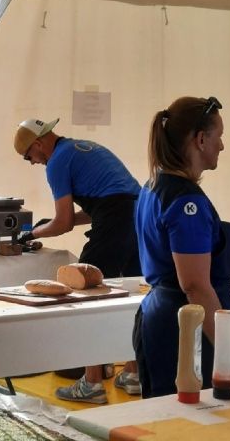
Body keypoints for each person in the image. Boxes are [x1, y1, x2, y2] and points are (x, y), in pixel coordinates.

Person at [14, 118, 142, 403]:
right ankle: (134, 373)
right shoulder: (82, 147)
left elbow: (63, 223)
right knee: (131, 296)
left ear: (37, 144)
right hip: (139, 214)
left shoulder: (57, 161)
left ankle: (92, 383)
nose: (33, 163)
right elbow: (103, 206)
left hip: (118, 217)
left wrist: (31, 233)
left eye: (28, 157)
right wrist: (50, 224)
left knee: (85, 293)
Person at [133, 96, 230, 399]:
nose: (222, 146)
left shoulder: (152, 186)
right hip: (188, 329)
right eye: (219, 137)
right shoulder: (188, 202)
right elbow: (196, 286)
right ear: (201, 140)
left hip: (161, 317)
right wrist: (228, 357)